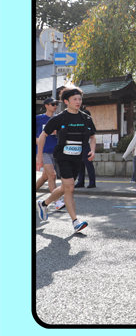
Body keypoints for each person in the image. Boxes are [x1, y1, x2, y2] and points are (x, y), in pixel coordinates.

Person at [35, 88, 94, 232]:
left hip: (77, 157)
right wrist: (39, 156)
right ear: (66, 101)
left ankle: (44, 203)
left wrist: (93, 150)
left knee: (65, 187)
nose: (78, 102)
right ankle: (75, 222)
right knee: (70, 187)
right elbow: (43, 135)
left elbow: (92, 137)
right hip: (62, 156)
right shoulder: (58, 118)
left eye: (80, 99)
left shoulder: (85, 118)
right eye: (75, 99)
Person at [35, 98, 59, 197]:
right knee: (52, 176)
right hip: (43, 151)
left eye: (56, 104)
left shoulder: (58, 118)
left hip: (55, 151)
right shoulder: (38, 118)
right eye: (52, 104)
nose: (55, 106)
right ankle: (57, 201)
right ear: (46, 105)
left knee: (45, 177)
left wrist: (58, 132)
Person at [73, 104, 97, 189]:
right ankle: (81, 182)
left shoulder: (89, 124)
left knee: (88, 164)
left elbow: (93, 137)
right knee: (81, 164)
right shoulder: (82, 124)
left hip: (86, 145)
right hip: (82, 145)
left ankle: (91, 182)